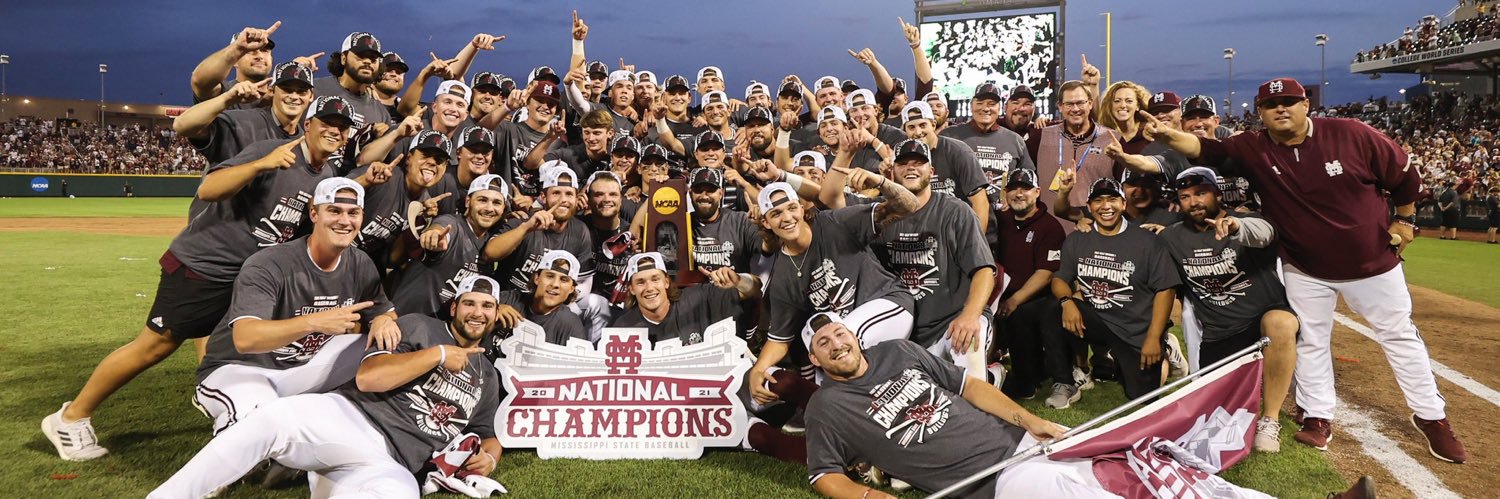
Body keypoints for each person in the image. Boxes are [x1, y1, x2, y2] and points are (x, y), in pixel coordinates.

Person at [1144, 77, 1466, 463]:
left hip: (1372, 262)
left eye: (1289, 101)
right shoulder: (1254, 146)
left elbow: (1404, 176)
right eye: (1272, 104)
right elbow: (1204, 148)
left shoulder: (1351, 134)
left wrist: (1406, 220)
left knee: (1398, 336)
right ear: (1260, 114)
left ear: (1305, 105)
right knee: (1310, 341)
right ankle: (1317, 416)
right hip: (1304, 266)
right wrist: (1167, 135)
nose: (1281, 109)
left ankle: (1432, 417)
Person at [42, 96, 354, 461]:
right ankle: (71, 416)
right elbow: (208, 189)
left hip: (246, 277)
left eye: (342, 126)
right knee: (155, 345)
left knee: (246, 351)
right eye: (326, 122)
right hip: (205, 266)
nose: (334, 130)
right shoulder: (273, 149)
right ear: (308, 125)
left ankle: (234, 415)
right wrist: (260, 164)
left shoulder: (328, 176)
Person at [148, 275, 506, 499]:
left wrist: (489, 457)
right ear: (455, 307)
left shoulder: (487, 376)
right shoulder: (419, 328)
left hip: (392, 462)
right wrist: (438, 355)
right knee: (269, 420)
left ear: (495, 313)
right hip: (346, 417)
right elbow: (370, 378)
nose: (478, 312)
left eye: (487, 306)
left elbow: (486, 433)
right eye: (470, 303)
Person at [192, 177, 400, 434]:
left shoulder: (360, 263)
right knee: (259, 429)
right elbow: (245, 339)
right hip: (240, 368)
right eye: (334, 211)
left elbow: (385, 310)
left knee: (388, 343)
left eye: (353, 213)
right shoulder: (269, 263)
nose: (345, 221)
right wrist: (315, 321)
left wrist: (382, 319)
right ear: (314, 213)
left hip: (299, 368)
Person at [1158, 167, 1299, 453]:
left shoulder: (1248, 220)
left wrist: (1236, 226)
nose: (1194, 202)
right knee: (1214, 416)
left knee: (1281, 322)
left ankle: (1269, 420)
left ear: (1218, 194)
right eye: (1185, 197)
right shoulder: (1171, 238)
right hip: (1219, 335)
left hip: (1259, 324)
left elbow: (1264, 233)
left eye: (1201, 193)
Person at [748, 176, 919, 403]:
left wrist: (880, 182)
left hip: (888, 303)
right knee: (821, 349)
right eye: (776, 214)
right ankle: (840, 416)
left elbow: (908, 206)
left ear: (801, 208)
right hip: (845, 331)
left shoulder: (834, 223)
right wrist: (757, 370)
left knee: (838, 343)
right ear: (766, 223)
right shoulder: (782, 275)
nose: (787, 218)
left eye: (791, 208)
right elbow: (780, 338)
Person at [860, 140, 996, 379]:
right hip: (907, 330)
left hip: (955, 321)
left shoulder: (956, 211)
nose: (911, 168)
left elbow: (984, 270)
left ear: (931, 171)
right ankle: (993, 378)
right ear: (892, 171)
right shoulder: (879, 215)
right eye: (903, 163)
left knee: (970, 374)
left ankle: (986, 390)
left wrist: (970, 315)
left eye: (919, 163)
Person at [1044, 178, 1180, 406]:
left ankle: (1167, 350)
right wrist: (1067, 301)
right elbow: (1059, 279)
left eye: (1112, 199)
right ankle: (1065, 382)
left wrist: (1153, 338)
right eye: (1098, 200)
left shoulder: (1147, 241)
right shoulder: (1078, 238)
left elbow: (1165, 290)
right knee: (1050, 309)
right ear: (1089, 206)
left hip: (1136, 330)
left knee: (1142, 398)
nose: (1105, 206)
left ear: (1123, 204)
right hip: (1099, 320)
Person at [992, 169, 1067, 400]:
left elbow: (1045, 273)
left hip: (1038, 297)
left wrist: (1014, 300)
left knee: (1022, 314)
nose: (1018, 193)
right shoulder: (1000, 220)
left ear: (1037, 192)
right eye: (1013, 188)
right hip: (1001, 294)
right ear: (1005, 194)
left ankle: (1035, 380)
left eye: (1025, 188)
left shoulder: (1050, 226)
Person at [390, 174, 509, 317]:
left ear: (503, 209)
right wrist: (433, 235)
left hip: (441, 331)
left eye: (497, 203)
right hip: (403, 322)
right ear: (468, 201)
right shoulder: (452, 224)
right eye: (482, 200)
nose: (489, 208)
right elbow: (440, 228)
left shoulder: (492, 244)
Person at [175, 61, 313, 165]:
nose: (294, 96)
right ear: (272, 91)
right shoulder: (243, 122)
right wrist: (227, 98)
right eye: (287, 90)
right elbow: (182, 125)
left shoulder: (305, 142)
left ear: (311, 96)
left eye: (302, 91)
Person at [612, 252, 761, 344]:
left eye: (655, 279)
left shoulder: (699, 298)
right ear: (631, 289)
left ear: (666, 282)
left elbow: (754, 288)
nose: (649, 288)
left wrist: (738, 280)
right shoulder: (624, 328)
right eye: (640, 282)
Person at [1025, 80, 1121, 219]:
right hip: (1049, 229)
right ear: (1060, 106)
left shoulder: (1112, 139)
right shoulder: (1040, 137)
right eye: (1069, 104)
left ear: (1090, 104)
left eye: (1080, 103)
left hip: (1094, 228)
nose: (1075, 109)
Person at [481, 250, 591, 361]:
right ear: (537, 278)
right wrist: (489, 310)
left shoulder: (570, 325)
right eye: (550, 276)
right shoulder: (508, 299)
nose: (555, 284)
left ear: (571, 288)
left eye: (564, 280)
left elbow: (577, 372)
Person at [898, 101, 990, 232]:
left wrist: (977, 243)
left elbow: (980, 201)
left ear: (933, 124)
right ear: (905, 131)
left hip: (961, 231)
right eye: (911, 127)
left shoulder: (959, 151)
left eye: (923, 125)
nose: (918, 132)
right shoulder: (903, 159)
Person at [940, 82, 1036, 181]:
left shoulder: (1016, 141)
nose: (985, 108)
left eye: (992, 104)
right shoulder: (949, 136)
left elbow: (1028, 182)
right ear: (971, 106)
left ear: (1000, 108)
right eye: (980, 103)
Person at [190, 22, 280, 109]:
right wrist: (237, 48)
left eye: (265, 51)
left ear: (271, 58)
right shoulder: (224, 93)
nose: (259, 56)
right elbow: (199, 81)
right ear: (235, 60)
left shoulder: (282, 98)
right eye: (250, 51)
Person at [314, 32, 391, 128]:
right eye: (361, 55)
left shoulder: (381, 114)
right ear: (343, 58)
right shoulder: (314, 90)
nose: (367, 61)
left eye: (373, 58)